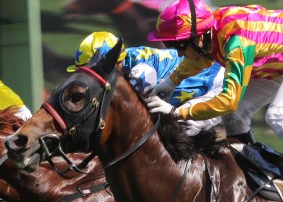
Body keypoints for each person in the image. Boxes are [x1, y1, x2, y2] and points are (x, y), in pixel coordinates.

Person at [145, 0, 283, 202]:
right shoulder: (212, 31)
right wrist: (168, 84)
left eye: (178, 45)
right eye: (170, 45)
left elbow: (228, 101)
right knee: (235, 117)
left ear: (199, 37)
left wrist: (177, 112)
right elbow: (201, 59)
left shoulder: (236, 41)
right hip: (278, 61)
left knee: (279, 115)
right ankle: (254, 171)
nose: (178, 52)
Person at [68, 31, 224, 136]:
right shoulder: (122, 64)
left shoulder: (141, 71)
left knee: (174, 133)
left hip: (213, 84)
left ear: (115, 64)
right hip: (185, 79)